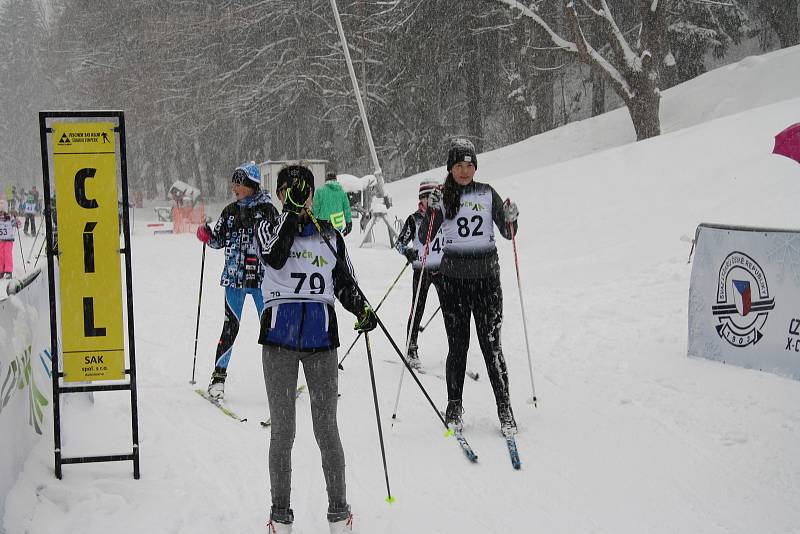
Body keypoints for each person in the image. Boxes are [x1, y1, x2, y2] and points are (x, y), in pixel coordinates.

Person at [254, 164, 376, 534]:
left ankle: (339, 512)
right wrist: (291, 214)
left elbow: (344, 282)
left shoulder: (330, 235)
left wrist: (362, 308)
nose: (298, 195)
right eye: (290, 189)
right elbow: (275, 256)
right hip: (279, 342)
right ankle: (280, 514)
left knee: (326, 429)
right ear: (279, 194)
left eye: (304, 191)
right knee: (284, 432)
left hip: (321, 342)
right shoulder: (268, 226)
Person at [419, 138, 520, 437]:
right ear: (450, 168)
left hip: (486, 280)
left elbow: (507, 230)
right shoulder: (443, 196)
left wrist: (512, 218)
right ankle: (454, 407)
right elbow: (426, 237)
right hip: (454, 282)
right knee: (458, 346)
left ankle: (505, 409)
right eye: (459, 166)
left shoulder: (487, 193)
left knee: (492, 346)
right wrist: (431, 213)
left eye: (469, 165)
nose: (464, 171)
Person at [195, 162, 278, 400]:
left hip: (263, 280)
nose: (234, 187)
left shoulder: (268, 211)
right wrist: (207, 235)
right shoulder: (230, 211)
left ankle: (283, 380)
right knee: (230, 328)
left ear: (251, 186)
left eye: (238, 183)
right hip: (234, 280)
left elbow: (278, 242)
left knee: (272, 330)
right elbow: (217, 240)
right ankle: (218, 380)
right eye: (233, 183)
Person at [394, 180, 444, 369]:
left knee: (450, 309)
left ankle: (456, 346)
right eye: (425, 197)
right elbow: (399, 243)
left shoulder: (443, 216)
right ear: (420, 199)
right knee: (418, 309)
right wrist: (408, 252)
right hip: (421, 270)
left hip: (441, 270)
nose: (429, 201)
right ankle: (411, 347)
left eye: (432, 197)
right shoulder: (414, 219)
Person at [312, 169, 353, 236]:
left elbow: (315, 208)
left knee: (324, 243)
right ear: (335, 179)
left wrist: (312, 220)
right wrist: (349, 223)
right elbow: (347, 208)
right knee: (335, 243)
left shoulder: (320, 191)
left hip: (323, 222)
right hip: (337, 222)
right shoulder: (342, 192)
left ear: (326, 180)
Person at [0, 201, 18, 278]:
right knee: (0, 255)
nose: (1, 213)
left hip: (8, 240)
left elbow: (18, 225)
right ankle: (1, 270)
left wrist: (15, 218)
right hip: (0, 240)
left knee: (7, 255)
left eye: (2, 211)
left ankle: (8, 271)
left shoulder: (9, 218)